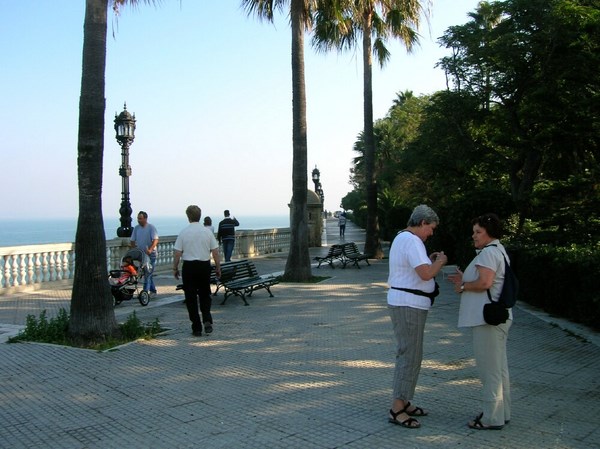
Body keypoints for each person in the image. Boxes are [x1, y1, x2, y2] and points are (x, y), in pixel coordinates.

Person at [448, 213, 512, 430]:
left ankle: (491, 419)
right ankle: (502, 412)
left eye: (478, 232)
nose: (473, 236)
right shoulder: (498, 250)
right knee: (499, 368)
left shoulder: (488, 254)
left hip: (487, 321)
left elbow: (485, 282)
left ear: (490, 233)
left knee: (489, 370)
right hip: (497, 319)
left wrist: (463, 286)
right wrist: (464, 279)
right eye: (474, 231)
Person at [387, 204, 448, 429]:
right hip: (408, 306)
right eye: (430, 228)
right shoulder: (412, 241)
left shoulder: (402, 238)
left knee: (411, 354)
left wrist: (429, 260)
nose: (431, 233)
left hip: (405, 304)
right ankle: (397, 408)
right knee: (410, 356)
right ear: (422, 223)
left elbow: (417, 268)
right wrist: (440, 261)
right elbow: (425, 274)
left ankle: (404, 400)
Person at [173, 205, 221, 337]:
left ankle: (196, 327)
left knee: (191, 298)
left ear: (188, 217)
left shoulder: (184, 232)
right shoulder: (207, 232)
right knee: (205, 294)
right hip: (204, 266)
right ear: (199, 216)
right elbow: (215, 252)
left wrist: (175, 268)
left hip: (189, 267)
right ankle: (207, 319)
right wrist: (218, 267)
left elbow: (177, 253)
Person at [130, 211, 159, 296]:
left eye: (140, 218)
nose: (139, 220)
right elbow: (132, 240)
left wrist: (150, 249)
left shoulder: (151, 228)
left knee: (148, 273)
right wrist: (134, 249)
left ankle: (145, 292)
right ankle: (153, 290)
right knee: (147, 273)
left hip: (151, 254)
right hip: (141, 255)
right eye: (138, 218)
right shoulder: (136, 228)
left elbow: (155, 240)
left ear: (145, 219)